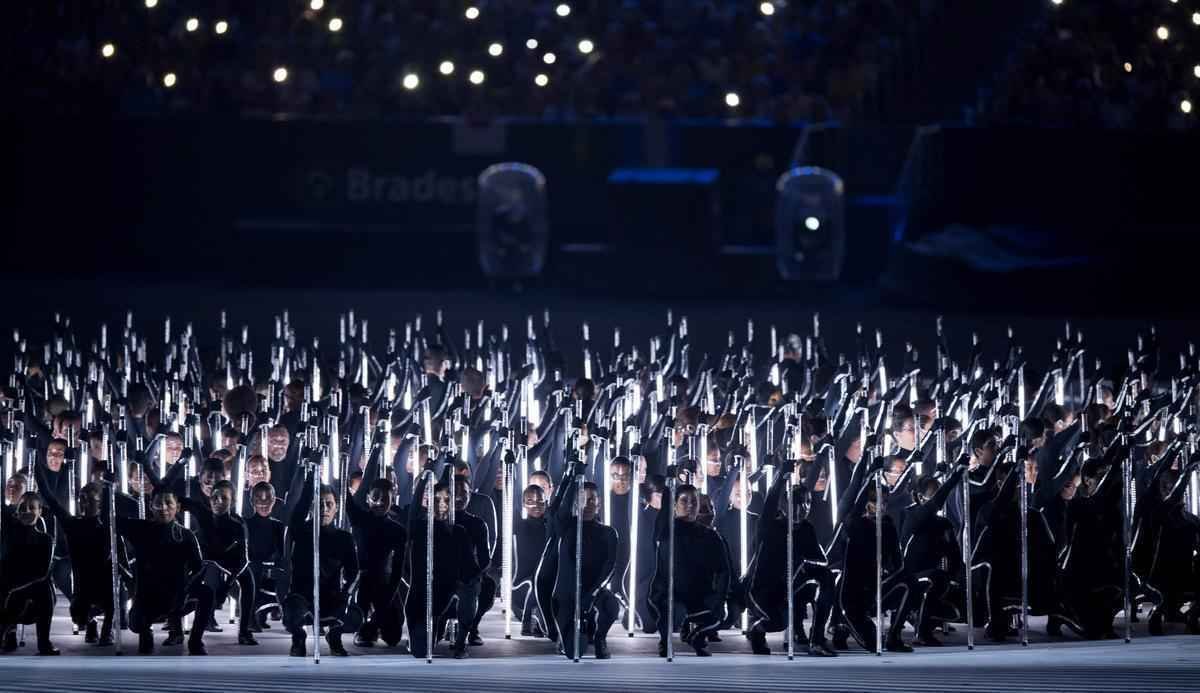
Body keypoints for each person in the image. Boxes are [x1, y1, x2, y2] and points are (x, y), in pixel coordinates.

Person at [744, 460, 837, 657]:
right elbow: (770, 501)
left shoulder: (806, 529)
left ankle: (817, 638)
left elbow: (821, 561)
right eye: (796, 502)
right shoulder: (769, 525)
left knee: (825, 577)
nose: (802, 508)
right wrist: (781, 476)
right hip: (764, 590)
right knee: (777, 623)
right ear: (785, 504)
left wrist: (804, 564)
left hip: (792, 586)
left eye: (807, 503)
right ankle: (756, 631)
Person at [113, 485, 214, 655]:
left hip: (178, 597)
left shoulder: (186, 535)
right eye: (158, 504)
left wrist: (184, 590)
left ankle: (195, 641)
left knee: (206, 592)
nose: (164, 508)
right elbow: (109, 520)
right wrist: (110, 490)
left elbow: (199, 568)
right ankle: (146, 632)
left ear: (178, 507)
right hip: (149, 598)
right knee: (135, 624)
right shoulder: (140, 529)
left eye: (169, 503)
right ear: (151, 506)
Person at [34, 463, 121, 646]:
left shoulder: (106, 523)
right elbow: (50, 499)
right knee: (78, 616)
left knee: (115, 598)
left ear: (99, 503)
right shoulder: (72, 524)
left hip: (106, 583)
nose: (84, 503)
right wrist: (36, 465)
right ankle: (90, 622)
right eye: (81, 499)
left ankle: (107, 630)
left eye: (90, 500)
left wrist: (108, 486)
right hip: (83, 585)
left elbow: (108, 507)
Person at [282, 460, 362, 657]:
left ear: (336, 508)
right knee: (292, 611)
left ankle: (334, 636)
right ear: (312, 507)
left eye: (329, 504)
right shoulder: (300, 530)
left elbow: (354, 572)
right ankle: (298, 638)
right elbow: (299, 509)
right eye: (319, 504)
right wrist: (311, 479)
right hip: (303, 597)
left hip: (331, 598)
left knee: (355, 616)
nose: (324, 509)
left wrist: (345, 595)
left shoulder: (343, 538)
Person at [405, 462, 479, 659]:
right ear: (428, 501)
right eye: (436, 500)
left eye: (447, 500)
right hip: (421, 597)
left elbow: (470, 568)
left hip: (447, 592)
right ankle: (435, 628)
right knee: (420, 652)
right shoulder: (418, 527)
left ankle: (461, 642)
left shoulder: (458, 532)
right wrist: (429, 473)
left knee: (471, 585)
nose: (442, 505)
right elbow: (414, 507)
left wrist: (471, 582)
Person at [650, 481, 730, 657]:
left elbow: (724, 570)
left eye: (694, 501)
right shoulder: (666, 531)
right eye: (684, 501)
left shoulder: (710, 535)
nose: (690, 506)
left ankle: (696, 636)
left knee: (720, 616)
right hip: (669, 594)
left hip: (698, 595)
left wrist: (720, 599)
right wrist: (668, 487)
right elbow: (664, 514)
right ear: (675, 505)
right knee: (675, 612)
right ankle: (665, 640)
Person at [345, 435, 407, 648]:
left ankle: (372, 624)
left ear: (392, 500)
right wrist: (375, 451)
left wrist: (378, 617)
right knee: (357, 619)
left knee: (393, 637)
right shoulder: (360, 519)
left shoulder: (397, 530)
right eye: (376, 497)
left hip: (384, 582)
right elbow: (346, 492)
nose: (380, 502)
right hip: (360, 582)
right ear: (368, 498)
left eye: (385, 498)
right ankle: (361, 625)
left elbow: (397, 572)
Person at [551, 468, 619, 659]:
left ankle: (599, 637)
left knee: (611, 605)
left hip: (592, 591)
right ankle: (571, 634)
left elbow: (610, 566)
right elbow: (558, 509)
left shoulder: (608, 533)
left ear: (598, 503)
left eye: (592, 499)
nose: (588, 503)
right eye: (583, 498)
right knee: (575, 651)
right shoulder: (566, 527)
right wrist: (571, 477)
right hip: (566, 595)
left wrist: (593, 592)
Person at [0, 492, 58, 655]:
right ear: (16, 511)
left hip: (29, 593)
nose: (27, 511)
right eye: (23, 507)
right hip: (6, 592)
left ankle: (44, 642)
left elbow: (42, 573)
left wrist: (15, 589)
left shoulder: (45, 540)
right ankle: (7, 632)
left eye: (32, 508)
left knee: (45, 588)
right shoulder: (7, 533)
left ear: (40, 511)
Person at [245, 481, 285, 631]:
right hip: (252, 570)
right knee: (252, 572)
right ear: (252, 501)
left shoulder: (278, 526)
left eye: (268, 498)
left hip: (270, 569)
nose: (263, 502)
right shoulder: (246, 524)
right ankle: (250, 618)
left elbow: (281, 552)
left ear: (274, 500)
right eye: (258, 498)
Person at [513, 484, 549, 635]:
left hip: (545, 585)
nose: (536, 505)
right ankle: (528, 621)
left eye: (540, 501)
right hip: (522, 587)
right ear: (523, 504)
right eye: (530, 501)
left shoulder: (550, 527)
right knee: (536, 583)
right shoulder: (517, 526)